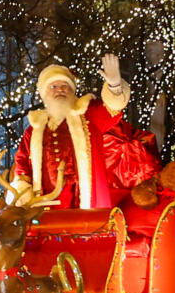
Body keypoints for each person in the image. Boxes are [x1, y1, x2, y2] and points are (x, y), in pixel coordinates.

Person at [12, 56, 158, 210]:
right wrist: (22, 191)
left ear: (72, 91)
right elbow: (22, 163)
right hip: (46, 203)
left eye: (64, 85)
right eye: (53, 86)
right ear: (44, 93)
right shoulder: (34, 130)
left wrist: (114, 85)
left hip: (85, 200)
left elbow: (112, 109)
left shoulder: (88, 115)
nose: (60, 89)